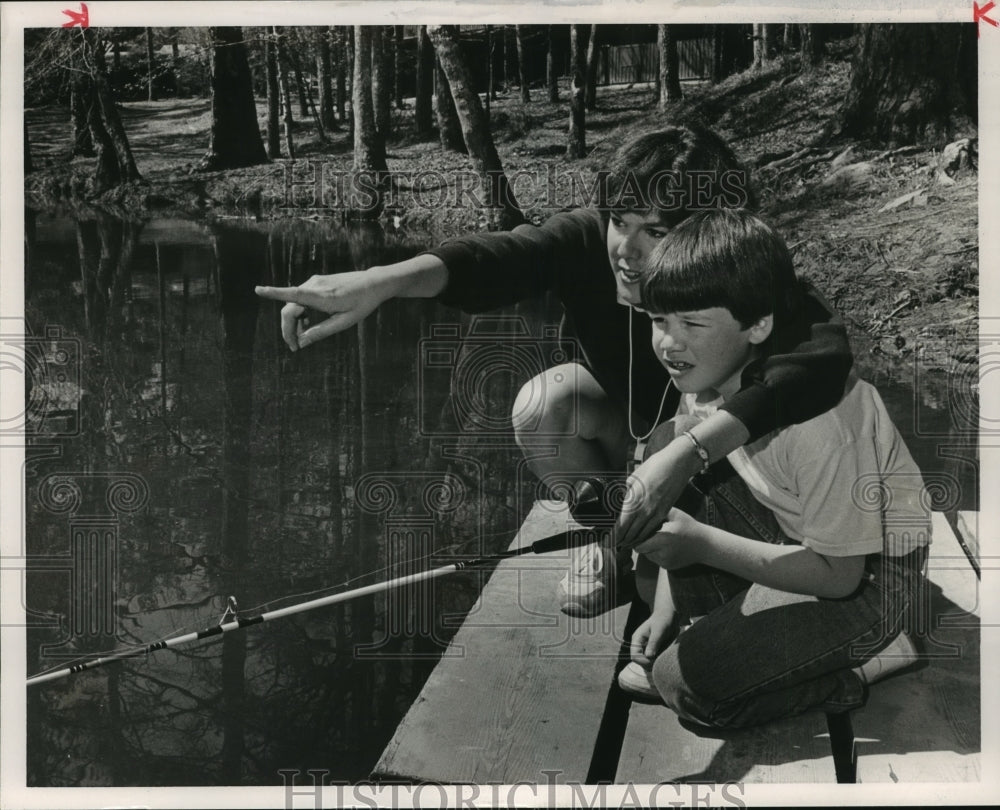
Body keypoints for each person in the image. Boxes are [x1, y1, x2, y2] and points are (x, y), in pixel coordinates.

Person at [254, 124, 854, 617]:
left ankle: (696, 561)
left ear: (710, 233)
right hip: (639, 434)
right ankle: (612, 543)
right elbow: (503, 256)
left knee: (668, 598)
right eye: (620, 220)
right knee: (545, 403)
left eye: (656, 231)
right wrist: (378, 283)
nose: (626, 251)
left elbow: (823, 357)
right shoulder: (589, 243)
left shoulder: (744, 274)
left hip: (726, 460)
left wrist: (689, 452)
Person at [616, 208, 929, 728]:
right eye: (658, 321)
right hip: (797, 535)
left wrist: (701, 545)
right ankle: (722, 627)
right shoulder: (707, 374)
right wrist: (667, 606)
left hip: (870, 578)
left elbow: (840, 577)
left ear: (758, 325)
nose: (669, 343)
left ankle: (870, 659)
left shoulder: (822, 426)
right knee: (669, 443)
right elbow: (680, 482)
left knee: (685, 687)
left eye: (692, 323)